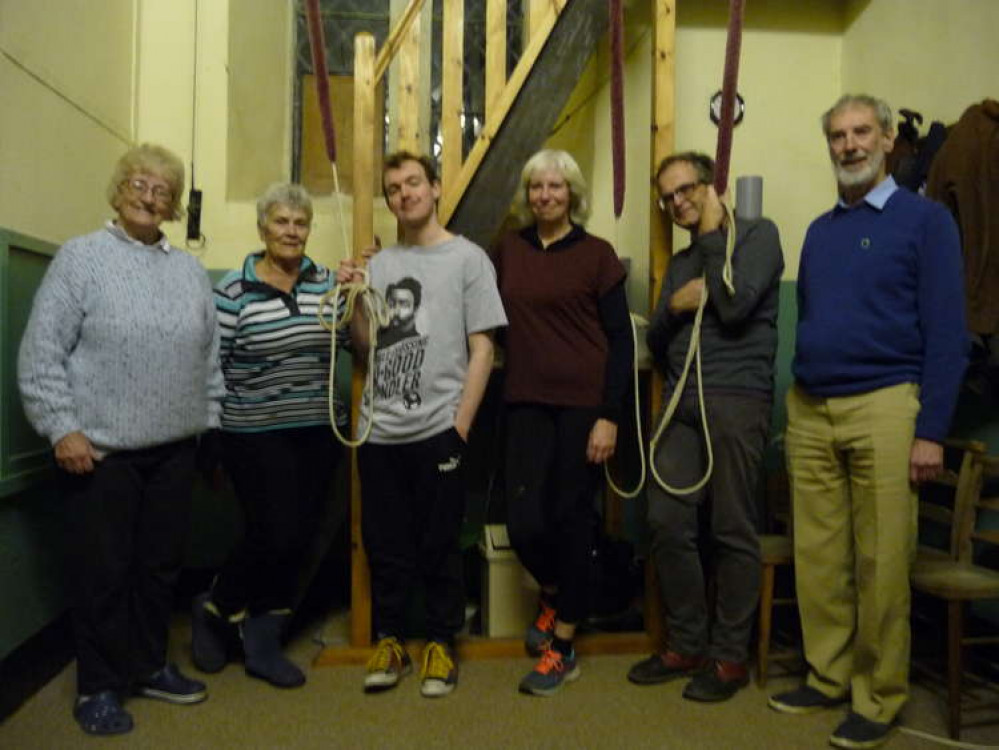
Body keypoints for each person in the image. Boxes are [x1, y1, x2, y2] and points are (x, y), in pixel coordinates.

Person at [769, 95, 967, 749]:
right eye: (836, 135)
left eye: (860, 133)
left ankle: (877, 696)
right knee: (820, 559)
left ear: (886, 140)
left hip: (886, 405)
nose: (848, 145)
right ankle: (826, 676)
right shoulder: (820, 231)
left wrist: (929, 430)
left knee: (881, 561)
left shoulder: (925, 222)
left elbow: (947, 332)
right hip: (810, 408)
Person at [17, 143, 223, 736]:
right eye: (138, 182)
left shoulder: (187, 270)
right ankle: (100, 687)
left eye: (162, 188)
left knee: (159, 568)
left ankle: (150, 665)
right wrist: (63, 427)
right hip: (99, 453)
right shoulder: (80, 259)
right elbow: (41, 354)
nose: (149, 194)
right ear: (118, 189)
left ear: (175, 203)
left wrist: (209, 423)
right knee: (103, 573)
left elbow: (209, 357)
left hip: (176, 449)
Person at [337, 151, 507, 698]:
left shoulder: (468, 259)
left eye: (414, 183)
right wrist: (355, 297)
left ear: (434, 189)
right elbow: (367, 348)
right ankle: (390, 639)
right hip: (379, 430)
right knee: (384, 543)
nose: (404, 193)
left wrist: (459, 427)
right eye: (394, 188)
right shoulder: (381, 264)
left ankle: (440, 642)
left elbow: (484, 349)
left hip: (439, 428)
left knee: (439, 543)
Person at [628, 152, 784, 702]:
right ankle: (688, 643)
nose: (679, 202)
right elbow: (657, 337)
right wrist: (676, 302)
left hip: (736, 399)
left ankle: (728, 658)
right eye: (668, 197)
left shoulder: (759, 236)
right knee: (666, 518)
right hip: (681, 402)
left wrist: (716, 238)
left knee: (732, 528)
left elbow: (737, 302)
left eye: (687, 189)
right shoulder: (681, 261)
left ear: (712, 186)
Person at [190, 183, 345, 688]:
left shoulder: (325, 283)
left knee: (299, 536)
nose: (291, 232)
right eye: (281, 222)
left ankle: (261, 640)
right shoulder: (233, 290)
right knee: (271, 531)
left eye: (300, 223)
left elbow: (356, 339)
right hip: (253, 432)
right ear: (263, 229)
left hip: (317, 429)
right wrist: (210, 435)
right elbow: (212, 367)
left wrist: (357, 287)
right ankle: (217, 608)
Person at [492, 149, 633, 696]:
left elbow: (620, 340)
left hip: (582, 407)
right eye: (536, 187)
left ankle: (565, 646)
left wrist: (608, 417)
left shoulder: (597, 254)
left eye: (555, 186)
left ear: (572, 193)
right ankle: (554, 594)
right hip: (525, 399)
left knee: (573, 518)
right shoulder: (509, 250)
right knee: (526, 522)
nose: (545, 195)